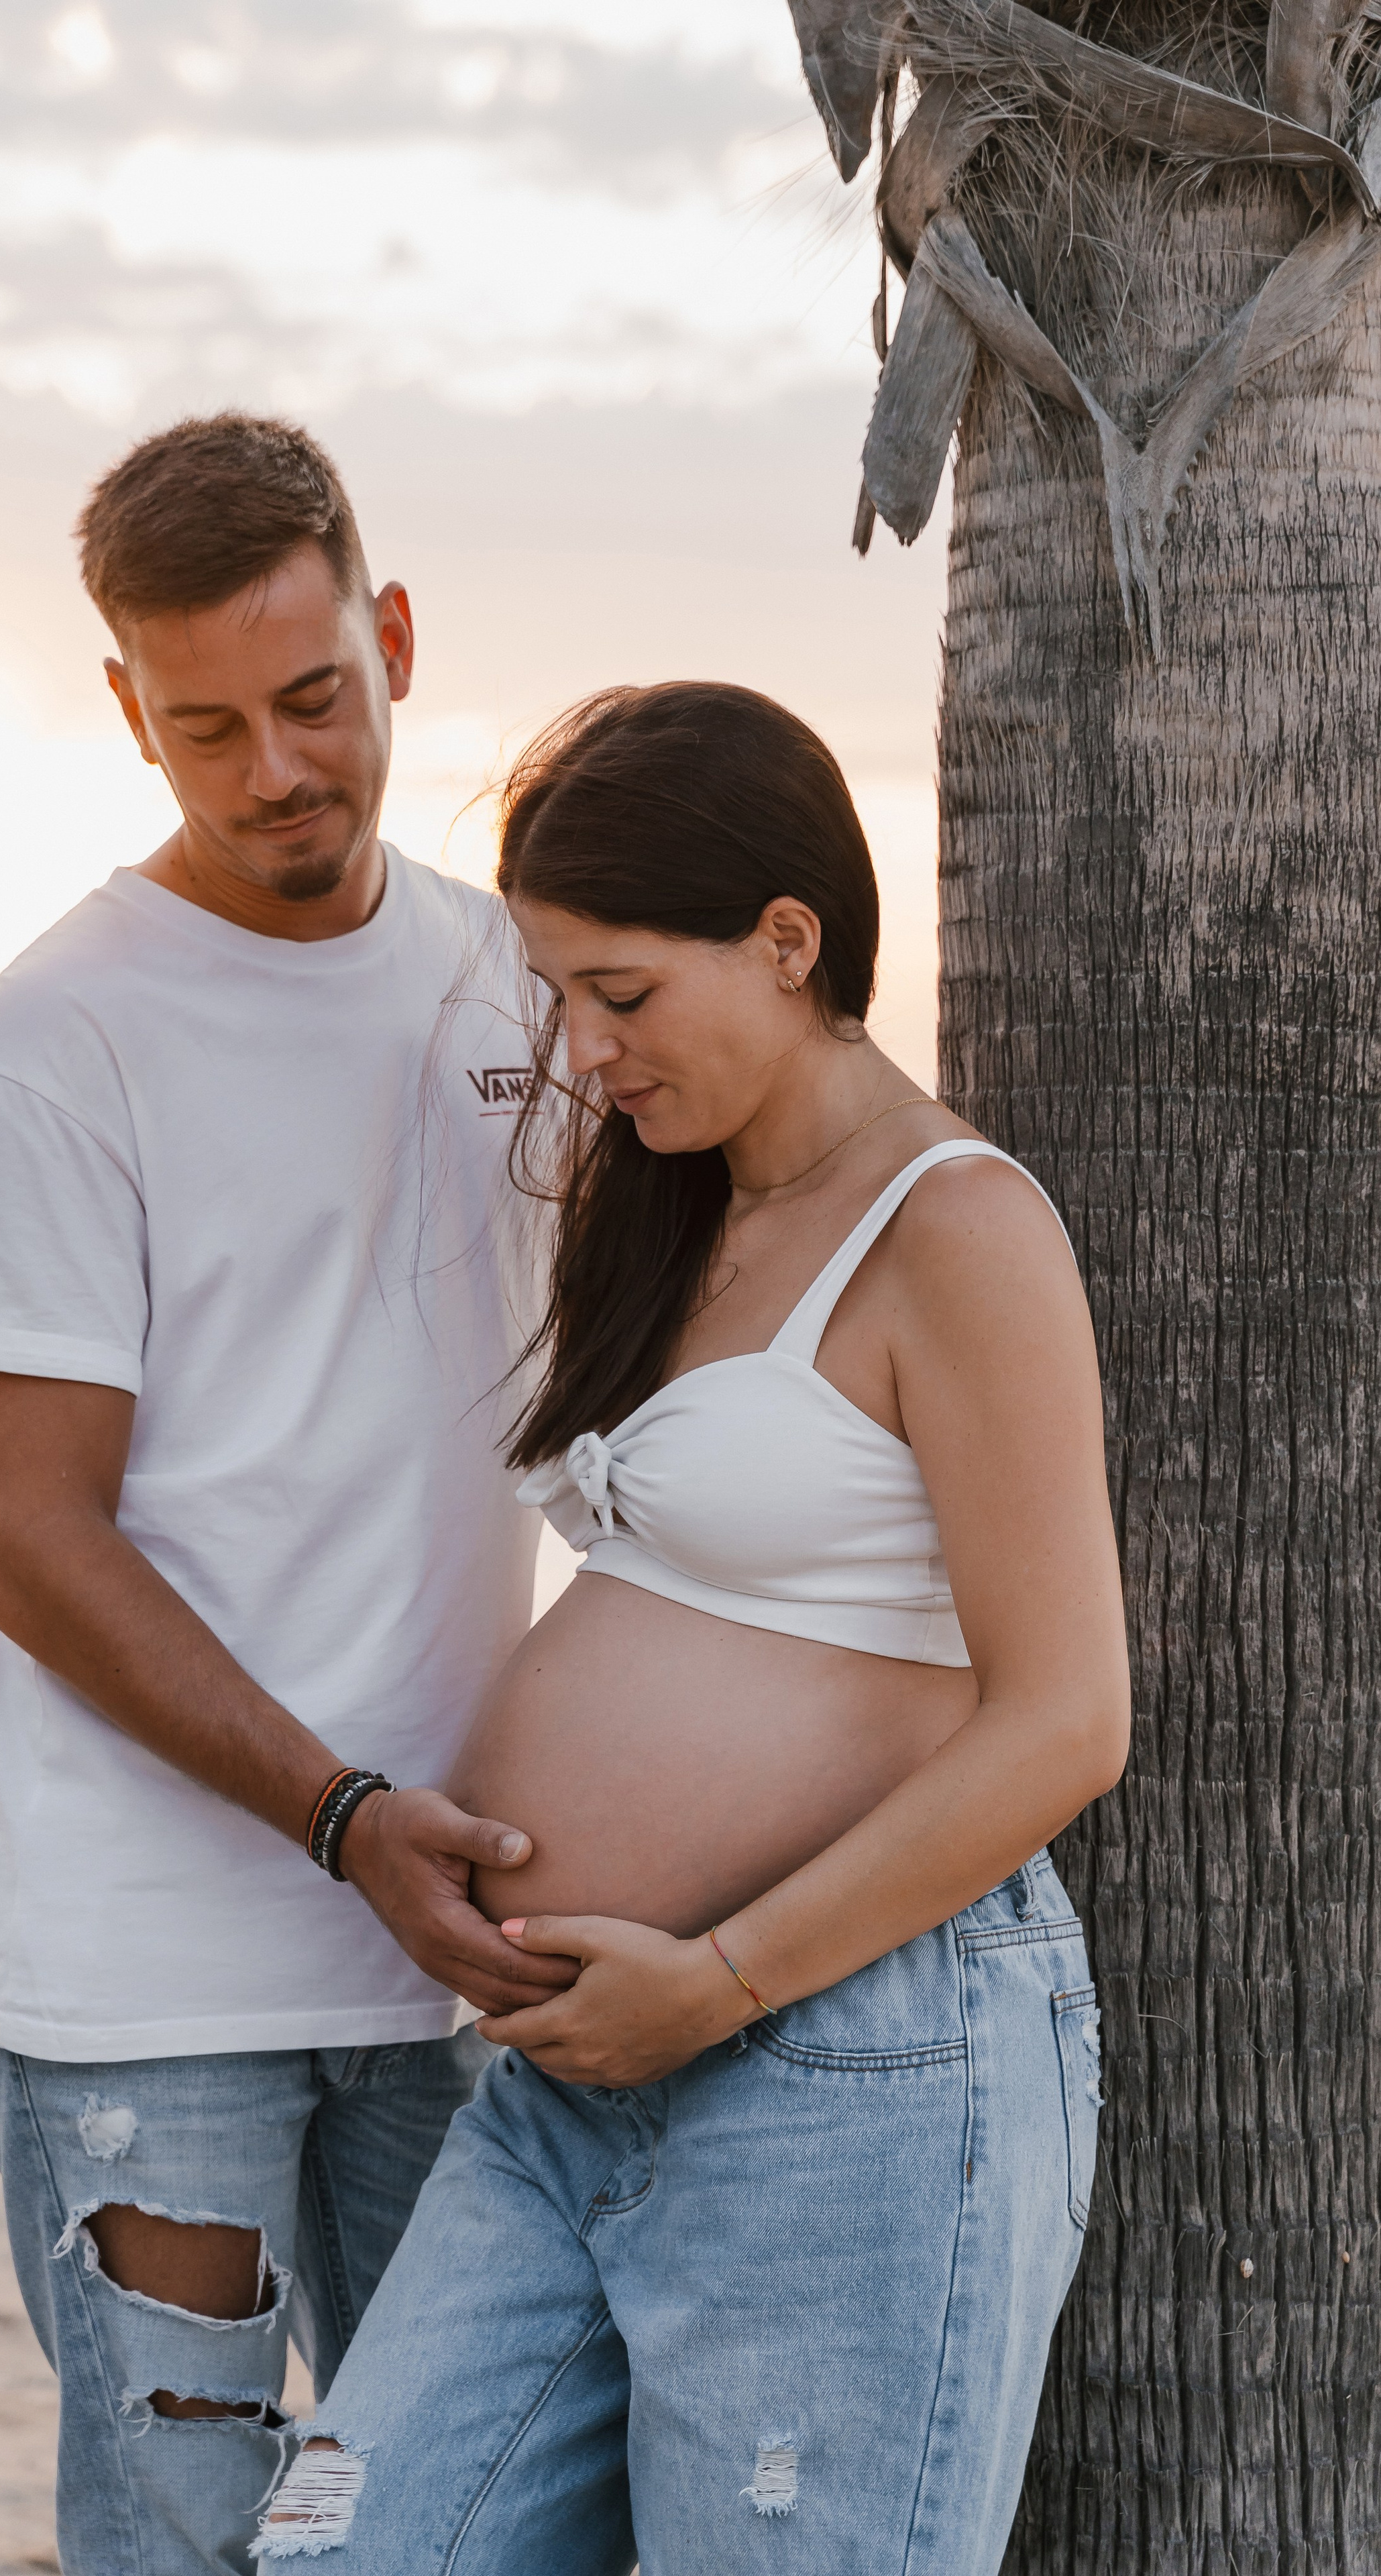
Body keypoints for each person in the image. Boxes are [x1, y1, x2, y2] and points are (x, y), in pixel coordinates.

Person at [254, 681, 1131, 2573]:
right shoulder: (671, 1209)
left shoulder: (956, 1230)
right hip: (574, 2073)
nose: (582, 1051)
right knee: (346, 2548)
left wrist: (720, 1980)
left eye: (623, 994)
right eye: (557, 994)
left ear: (788, 941)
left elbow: (1068, 1717)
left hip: (847, 2058)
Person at [0, 412, 574, 2575]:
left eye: (314, 699)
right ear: (129, 712)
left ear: (393, 638)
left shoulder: (519, 982)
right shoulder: (54, 1047)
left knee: (468, 2525)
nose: (277, 770)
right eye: (206, 729)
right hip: (152, 1975)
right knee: (191, 2539)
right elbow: (29, 1543)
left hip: (451, 1950)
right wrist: (344, 1817)